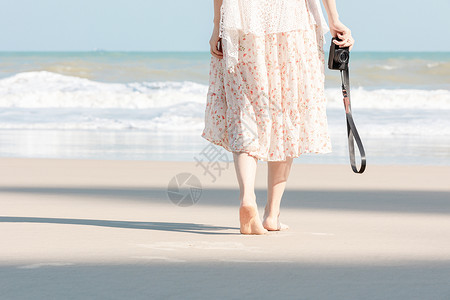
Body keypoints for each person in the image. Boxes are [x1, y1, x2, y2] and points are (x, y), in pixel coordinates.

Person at [201, 0, 355, 234]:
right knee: (287, 112)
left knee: (246, 112)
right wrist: (334, 19)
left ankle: (247, 198)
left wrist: (217, 27)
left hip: (243, 20)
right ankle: (272, 214)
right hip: (293, 21)